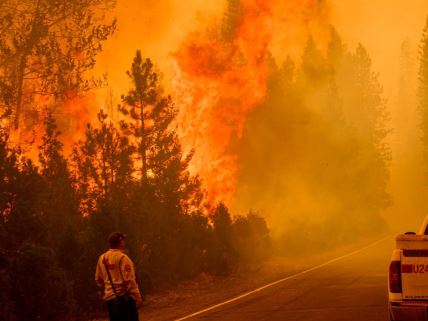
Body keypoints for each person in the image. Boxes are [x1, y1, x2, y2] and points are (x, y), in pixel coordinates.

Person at [95, 232, 143, 321]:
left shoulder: (102, 258)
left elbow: (98, 279)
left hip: (109, 300)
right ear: (120, 243)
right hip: (124, 299)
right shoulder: (123, 258)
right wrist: (137, 297)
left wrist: (108, 289)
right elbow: (129, 280)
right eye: (123, 241)